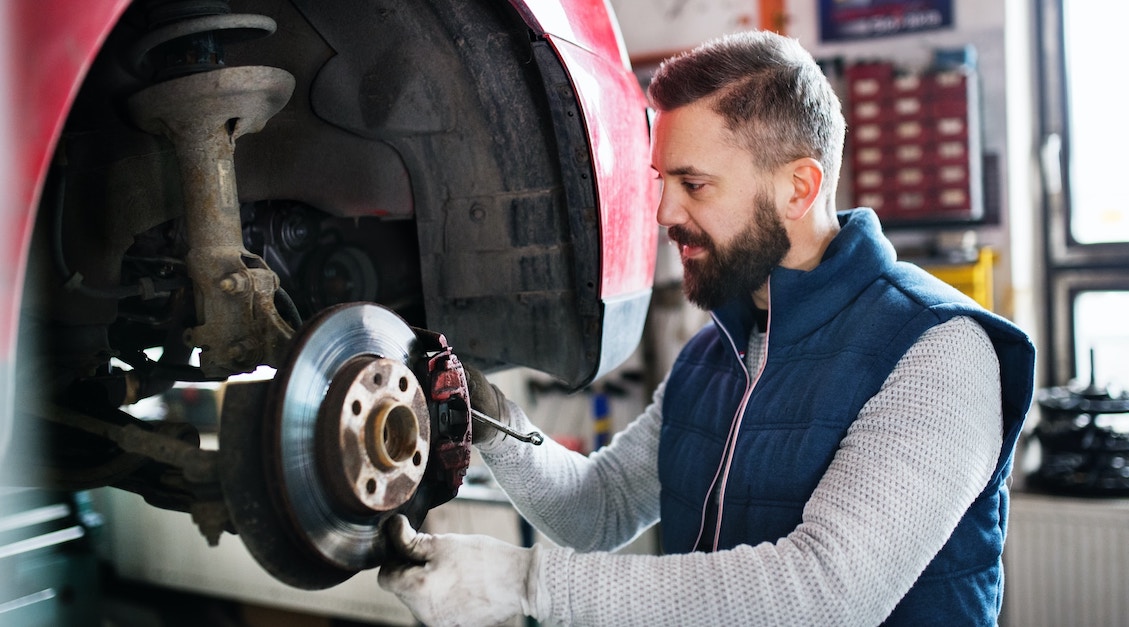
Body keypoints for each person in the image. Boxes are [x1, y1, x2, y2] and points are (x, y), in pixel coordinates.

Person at [378, 30, 1035, 626]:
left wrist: (526, 582)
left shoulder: (939, 351)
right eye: (663, 181)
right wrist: (489, 414)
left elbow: (827, 594)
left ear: (799, 189)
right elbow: (600, 508)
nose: (664, 211)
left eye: (693, 184)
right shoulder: (716, 353)